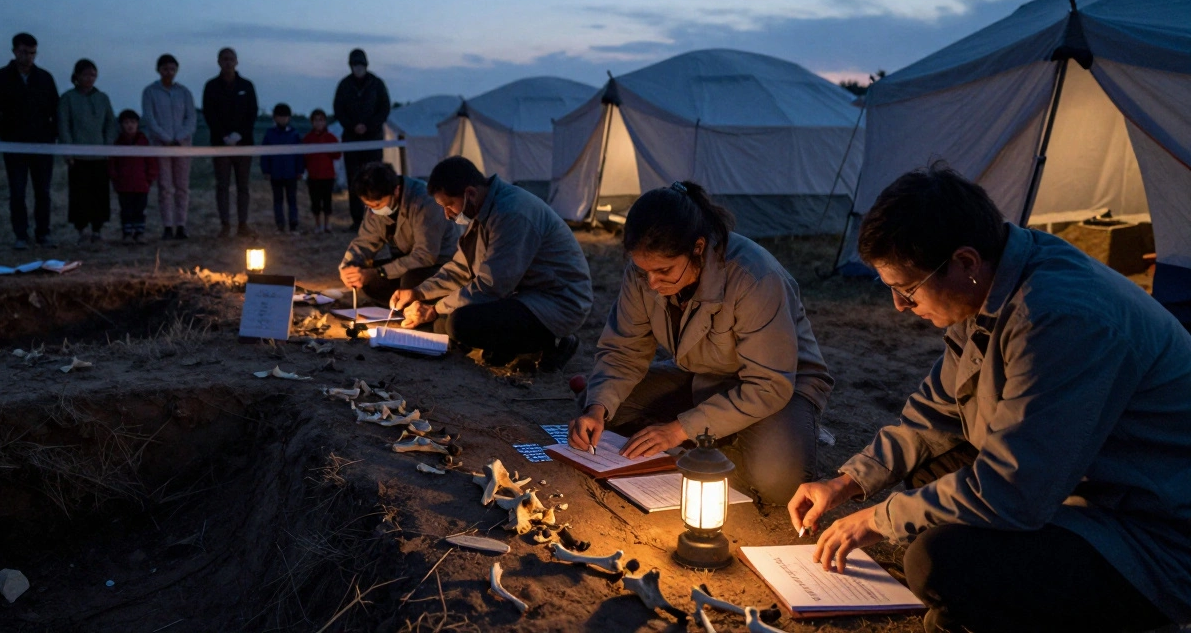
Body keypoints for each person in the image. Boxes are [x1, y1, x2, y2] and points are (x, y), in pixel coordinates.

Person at [787, 165, 1191, 633]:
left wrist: (880, 519)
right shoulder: (989, 286)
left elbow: (1013, 490)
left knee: (937, 561)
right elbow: (934, 416)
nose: (900, 307)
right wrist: (848, 483)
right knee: (926, 465)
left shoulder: (1058, 318)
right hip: (1076, 482)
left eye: (907, 289)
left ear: (965, 261)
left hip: (1153, 533)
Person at [566, 182, 833, 503]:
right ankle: (720, 430)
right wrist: (597, 409)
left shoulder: (753, 277)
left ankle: (781, 430)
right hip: (705, 375)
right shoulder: (646, 272)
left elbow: (769, 385)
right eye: (643, 270)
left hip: (781, 386)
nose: (651, 282)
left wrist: (678, 430)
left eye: (664, 271)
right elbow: (623, 350)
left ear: (698, 248)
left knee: (779, 484)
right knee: (603, 411)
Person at [389, 157, 590, 372]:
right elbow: (460, 268)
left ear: (470, 193)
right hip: (524, 295)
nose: (447, 215)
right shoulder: (482, 209)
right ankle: (507, 346)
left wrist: (435, 308)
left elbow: (491, 285)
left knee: (459, 324)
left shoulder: (512, 213)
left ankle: (553, 342)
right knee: (442, 324)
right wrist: (419, 292)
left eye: (448, 206)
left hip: (557, 301)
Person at [340, 161, 459, 306]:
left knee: (410, 281)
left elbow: (425, 256)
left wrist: (379, 272)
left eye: (377, 205)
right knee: (367, 279)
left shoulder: (425, 201)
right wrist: (349, 266)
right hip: (405, 261)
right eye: (368, 206)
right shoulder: (374, 204)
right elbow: (366, 240)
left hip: (439, 264)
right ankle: (399, 303)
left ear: (396, 190)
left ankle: (419, 306)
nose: (373, 210)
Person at [0, 32, 59, 249]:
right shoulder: (0, 77)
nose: (27, 56)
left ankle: (43, 233)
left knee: (43, 192)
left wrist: (49, 135)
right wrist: (7, 135)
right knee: (17, 192)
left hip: (42, 145)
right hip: (14, 145)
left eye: (32, 52)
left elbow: (55, 109)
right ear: (14, 51)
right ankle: (21, 234)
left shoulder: (45, 78)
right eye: (23, 52)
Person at [58, 59, 117, 245]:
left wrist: (107, 146)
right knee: (80, 194)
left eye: (93, 74)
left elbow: (111, 123)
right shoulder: (68, 98)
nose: (89, 78)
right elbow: (64, 125)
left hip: (99, 156)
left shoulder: (102, 98)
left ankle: (97, 229)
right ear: (76, 76)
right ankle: (81, 229)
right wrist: (68, 150)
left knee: (99, 194)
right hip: (78, 157)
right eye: (86, 74)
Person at [202, 47, 258, 238]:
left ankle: (243, 224)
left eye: (230, 59)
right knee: (222, 186)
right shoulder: (211, 86)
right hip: (220, 144)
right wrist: (224, 136)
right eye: (224, 59)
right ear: (218, 61)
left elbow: (252, 113)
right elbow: (209, 114)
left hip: (243, 144)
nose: (227, 62)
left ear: (236, 61)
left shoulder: (247, 85)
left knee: (243, 186)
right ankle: (225, 224)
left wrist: (239, 135)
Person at [332, 48, 390, 231]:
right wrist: (352, 126)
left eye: (360, 64)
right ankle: (357, 220)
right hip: (351, 139)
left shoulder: (377, 84)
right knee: (354, 180)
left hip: (373, 139)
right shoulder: (344, 85)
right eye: (355, 65)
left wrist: (369, 126)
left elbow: (384, 108)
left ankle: (376, 218)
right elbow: (339, 109)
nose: (358, 68)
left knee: (374, 179)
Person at [142, 53, 197, 240]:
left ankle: (181, 224)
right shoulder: (150, 92)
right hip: (161, 145)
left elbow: (191, 119)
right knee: (165, 187)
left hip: (182, 146)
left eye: (172, 68)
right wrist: (165, 138)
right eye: (165, 68)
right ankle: (167, 225)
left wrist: (179, 137)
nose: (169, 72)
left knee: (182, 186)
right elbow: (150, 119)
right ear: (158, 70)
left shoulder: (184, 92)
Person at [107, 109, 158, 243]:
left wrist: (149, 179)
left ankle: (139, 233)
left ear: (137, 124)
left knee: (140, 210)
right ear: (121, 124)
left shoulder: (143, 142)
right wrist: (116, 180)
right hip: (124, 186)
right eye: (126, 122)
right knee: (126, 210)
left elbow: (151, 162)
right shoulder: (118, 143)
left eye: (133, 122)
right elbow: (113, 164)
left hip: (141, 185)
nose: (130, 125)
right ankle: (127, 234)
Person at [259, 103, 304, 234]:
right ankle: (280, 224)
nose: (282, 119)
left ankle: (293, 223)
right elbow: (265, 154)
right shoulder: (270, 134)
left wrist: (299, 170)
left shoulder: (294, 134)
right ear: (275, 118)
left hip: (291, 173)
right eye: (280, 117)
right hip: (276, 173)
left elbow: (299, 154)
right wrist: (266, 170)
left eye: (285, 117)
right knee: (278, 200)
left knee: (292, 200)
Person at [302, 109, 340, 232]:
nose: (319, 123)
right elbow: (304, 156)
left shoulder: (330, 137)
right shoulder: (308, 138)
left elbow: (337, 154)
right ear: (312, 122)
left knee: (327, 201)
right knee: (315, 202)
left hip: (328, 175)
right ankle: (317, 225)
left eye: (321, 120)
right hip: (313, 176)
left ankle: (327, 224)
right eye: (316, 120)